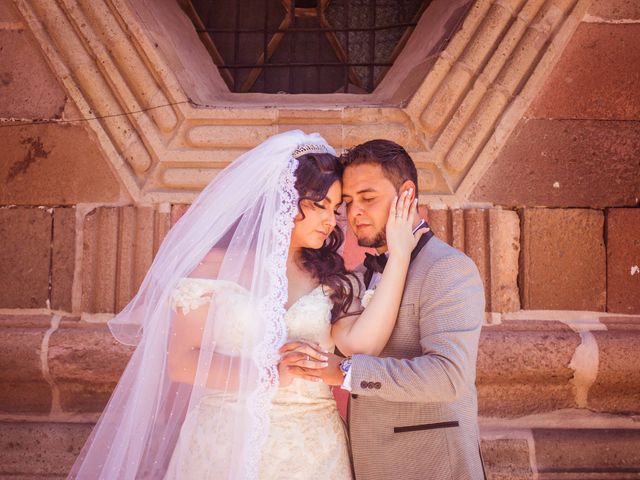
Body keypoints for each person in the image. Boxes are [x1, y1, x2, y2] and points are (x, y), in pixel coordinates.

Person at [68, 131, 425, 479]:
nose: (332, 220)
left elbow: (361, 346)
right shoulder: (213, 269)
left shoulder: (335, 280)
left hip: (310, 451)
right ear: (283, 199)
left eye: (335, 209)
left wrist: (400, 257)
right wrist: (268, 373)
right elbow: (180, 362)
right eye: (320, 206)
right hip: (221, 443)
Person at [282, 139, 487, 480]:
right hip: (364, 462)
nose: (354, 212)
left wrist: (346, 373)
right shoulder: (357, 276)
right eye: (347, 203)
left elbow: (449, 376)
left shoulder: (448, 269)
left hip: (430, 463)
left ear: (407, 193)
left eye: (368, 198)